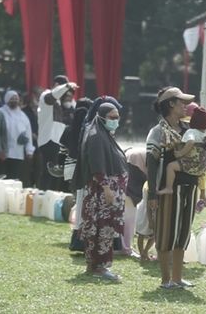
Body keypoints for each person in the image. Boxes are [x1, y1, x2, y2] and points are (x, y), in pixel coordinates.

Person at [146, 86, 198, 289]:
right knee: (166, 233)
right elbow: (151, 164)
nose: (186, 106)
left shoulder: (188, 131)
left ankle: (177, 278)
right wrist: (152, 193)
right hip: (168, 190)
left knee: (183, 234)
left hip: (189, 187)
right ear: (170, 104)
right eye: (181, 102)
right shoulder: (158, 132)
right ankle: (165, 280)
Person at [79, 102, 128, 281]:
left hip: (106, 192)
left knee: (101, 229)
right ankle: (99, 266)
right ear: (101, 117)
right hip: (102, 193)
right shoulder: (97, 136)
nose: (116, 120)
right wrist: (107, 188)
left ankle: (94, 265)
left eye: (117, 117)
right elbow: (97, 166)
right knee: (102, 229)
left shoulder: (104, 134)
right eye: (112, 117)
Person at [157, 106, 206, 195]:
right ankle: (202, 194)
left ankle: (168, 188)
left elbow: (191, 141)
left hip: (190, 164)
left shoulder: (191, 132)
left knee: (170, 166)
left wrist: (180, 153)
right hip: (200, 168)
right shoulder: (204, 135)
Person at [37, 75, 78, 190]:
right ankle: (43, 196)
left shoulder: (62, 102)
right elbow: (53, 96)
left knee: (57, 175)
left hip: (58, 142)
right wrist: (66, 86)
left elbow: (74, 109)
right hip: (48, 140)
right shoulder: (46, 95)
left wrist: (69, 95)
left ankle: (52, 197)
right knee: (48, 173)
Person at [0, 90, 35, 183]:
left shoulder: (23, 116)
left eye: (16, 99)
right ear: (7, 99)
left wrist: (29, 150)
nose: (14, 100)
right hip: (2, 153)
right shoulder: (0, 113)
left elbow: (28, 134)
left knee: (12, 180)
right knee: (1, 179)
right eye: (12, 98)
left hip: (17, 154)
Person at [120, 147, 147, 258]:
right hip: (134, 165)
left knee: (127, 214)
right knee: (129, 217)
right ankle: (126, 247)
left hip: (128, 161)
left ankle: (124, 246)